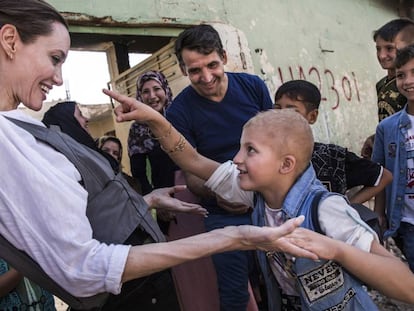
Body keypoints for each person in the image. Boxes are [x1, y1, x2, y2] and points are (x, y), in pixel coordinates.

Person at [0, 2, 318, 310]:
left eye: (212, 66)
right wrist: (234, 236)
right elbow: (193, 164)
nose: (58, 78)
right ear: (10, 41)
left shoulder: (252, 89)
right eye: (54, 58)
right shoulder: (11, 137)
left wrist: (149, 198)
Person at [104, 90, 414, 310]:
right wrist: (156, 121)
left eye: (250, 150)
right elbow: (195, 162)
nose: (236, 159)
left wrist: (337, 250)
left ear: (286, 165)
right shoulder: (255, 192)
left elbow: (406, 286)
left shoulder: (326, 209)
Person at [166, 23, 274, 310]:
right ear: (182, 69)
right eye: (195, 71)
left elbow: (277, 143)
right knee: (235, 292)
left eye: (212, 65)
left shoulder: (253, 87)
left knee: (283, 279)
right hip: (222, 213)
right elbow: (192, 174)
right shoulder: (178, 112)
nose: (206, 77)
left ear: (224, 56)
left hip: (270, 202)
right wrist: (221, 195)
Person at [273, 80, 392, 205]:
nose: (282, 116)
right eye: (277, 109)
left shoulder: (332, 157)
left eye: (292, 111)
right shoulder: (267, 156)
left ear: (312, 116)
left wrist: (347, 208)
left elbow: (384, 177)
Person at [372, 44, 414, 273]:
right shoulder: (386, 128)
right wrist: (379, 213)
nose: (407, 81)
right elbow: (380, 175)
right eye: (401, 75)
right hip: (408, 223)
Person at [128, 71, 176, 195]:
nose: (152, 96)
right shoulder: (137, 130)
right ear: (140, 96)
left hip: (194, 191)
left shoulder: (179, 118)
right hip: (163, 197)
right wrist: (157, 201)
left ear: (165, 90)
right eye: (145, 91)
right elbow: (139, 175)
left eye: (157, 89)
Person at [373, 19, 411, 122]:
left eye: (389, 48)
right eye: (378, 49)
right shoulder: (381, 84)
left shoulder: (409, 84)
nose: (382, 56)